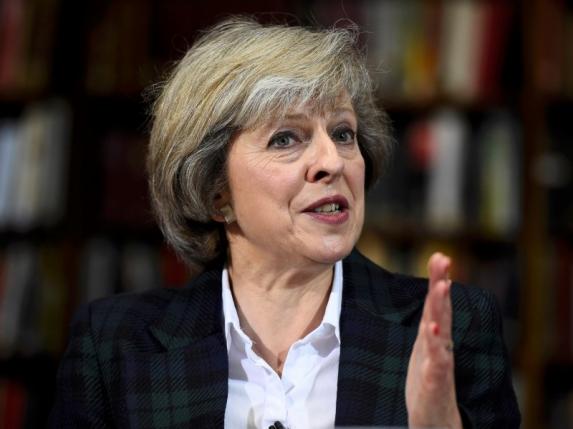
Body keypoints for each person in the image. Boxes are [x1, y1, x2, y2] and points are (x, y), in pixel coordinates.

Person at [50, 17, 521, 428]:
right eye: (286, 139)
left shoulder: (451, 328)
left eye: (342, 133)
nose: (331, 161)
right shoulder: (116, 346)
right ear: (217, 193)